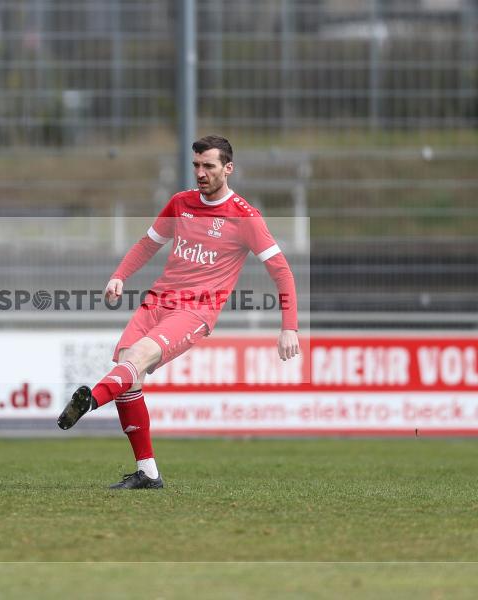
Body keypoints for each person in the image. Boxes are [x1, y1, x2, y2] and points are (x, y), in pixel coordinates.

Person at [58, 135, 300, 489]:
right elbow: (148, 244)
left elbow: (281, 271)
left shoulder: (245, 217)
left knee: (136, 357)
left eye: (209, 166)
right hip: (158, 302)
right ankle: (148, 473)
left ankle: (90, 400)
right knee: (129, 373)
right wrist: (119, 276)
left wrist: (288, 327)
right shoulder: (180, 203)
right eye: (196, 165)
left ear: (228, 169)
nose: (200, 173)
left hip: (196, 311)